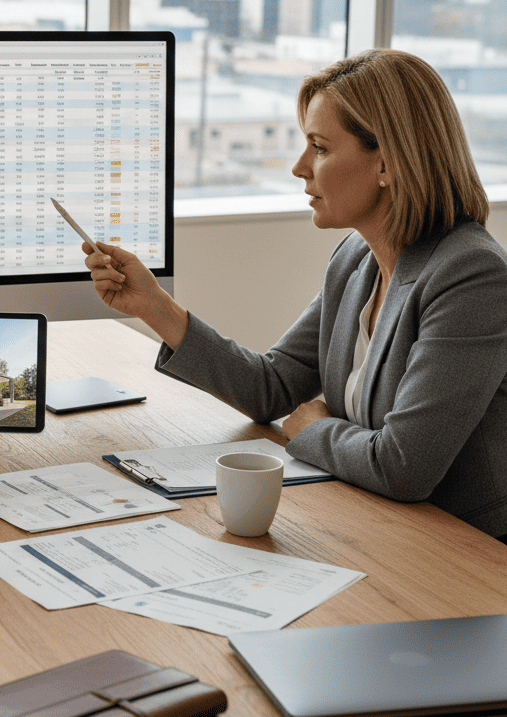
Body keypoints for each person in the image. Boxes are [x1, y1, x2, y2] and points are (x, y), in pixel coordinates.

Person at [84, 48, 507, 541]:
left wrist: (312, 431)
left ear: (387, 163)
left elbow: (403, 465)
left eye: (320, 148)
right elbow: (272, 387)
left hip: (460, 556)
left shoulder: (472, 278)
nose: (299, 167)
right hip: (374, 524)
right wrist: (152, 305)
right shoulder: (357, 258)